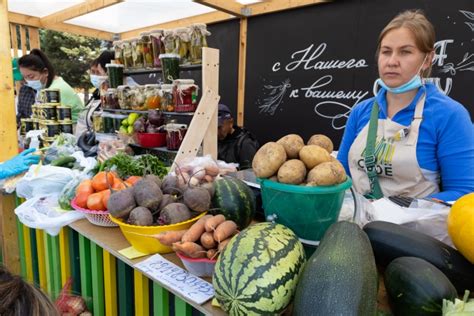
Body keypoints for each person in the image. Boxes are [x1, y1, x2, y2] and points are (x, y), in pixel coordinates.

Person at [337, 10, 474, 202]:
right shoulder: (361, 111)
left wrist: (402, 209)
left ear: (427, 59)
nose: (392, 61)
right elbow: (340, 176)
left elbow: (464, 192)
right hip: (355, 225)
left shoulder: (450, 115)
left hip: (414, 229)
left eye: (405, 52)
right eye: (386, 52)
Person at [18, 49, 84, 123]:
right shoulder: (46, 87)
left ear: (45, 72)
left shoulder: (56, 90)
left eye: (31, 77)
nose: (28, 81)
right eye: (25, 77)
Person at [217, 104, 259, 170]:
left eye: (219, 127)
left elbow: (249, 173)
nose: (216, 132)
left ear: (230, 123)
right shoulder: (214, 141)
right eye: (213, 128)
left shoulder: (245, 143)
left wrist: (233, 171)